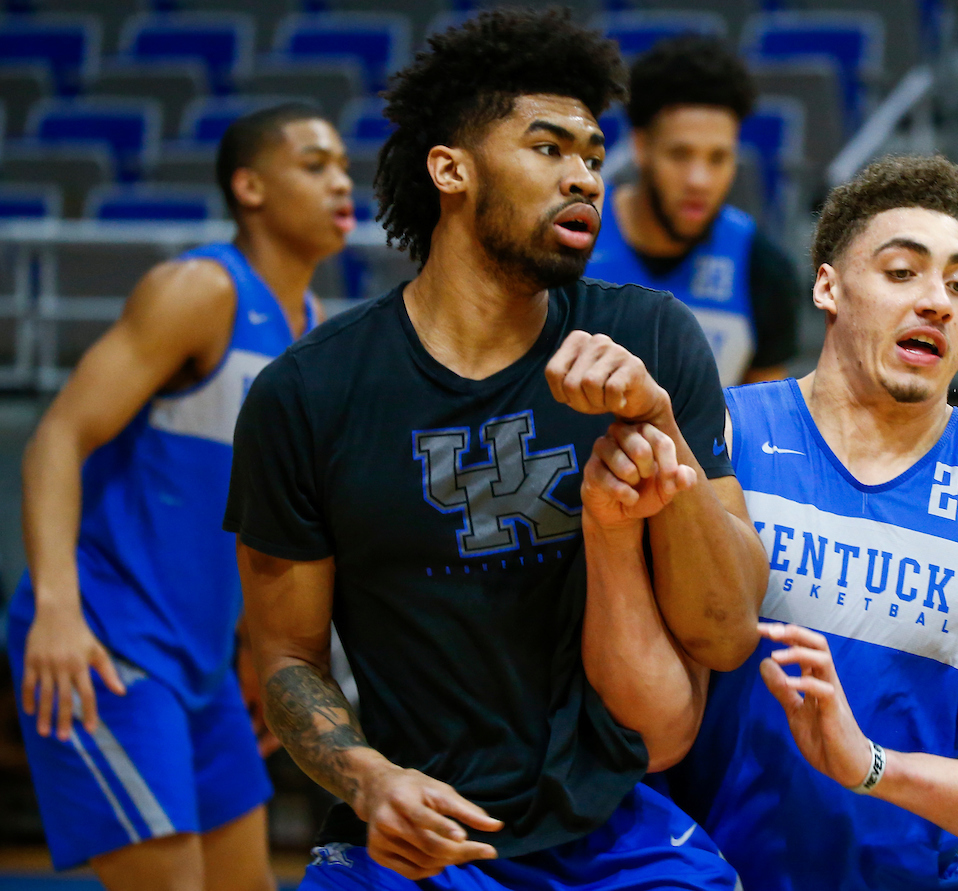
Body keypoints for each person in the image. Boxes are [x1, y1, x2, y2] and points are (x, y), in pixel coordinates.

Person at [222, 10, 766, 891]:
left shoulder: (650, 340)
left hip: (614, 826)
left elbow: (730, 628)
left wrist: (662, 428)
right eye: (548, 149)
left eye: (592, 154)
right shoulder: (305, 394)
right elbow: (286, 656)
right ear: (451, 170)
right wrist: (369, 778)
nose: (583, 176)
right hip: (415, 834)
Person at [614, 155, 958, 890]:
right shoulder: (717, 437)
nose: (938, 301)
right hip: (698, 874)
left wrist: (874, 767)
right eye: (902, 272)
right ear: (828, 286)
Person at [8, 103, 356, 890]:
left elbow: (262, 517)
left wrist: (258, 647)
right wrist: (59, 609)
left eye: (342, 164)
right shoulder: (196, 288)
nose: (341, 181)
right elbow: (55, 439)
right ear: (250, 185)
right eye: (313, 163)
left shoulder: (310, 329)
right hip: (107, 641)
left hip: (201, 660)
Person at [585, 34, 802, 387]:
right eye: (680, 155)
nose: (699, 180)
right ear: (640, 147)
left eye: (718, 157)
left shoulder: (763, 270)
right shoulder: (572, 236)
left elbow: (760, 427)